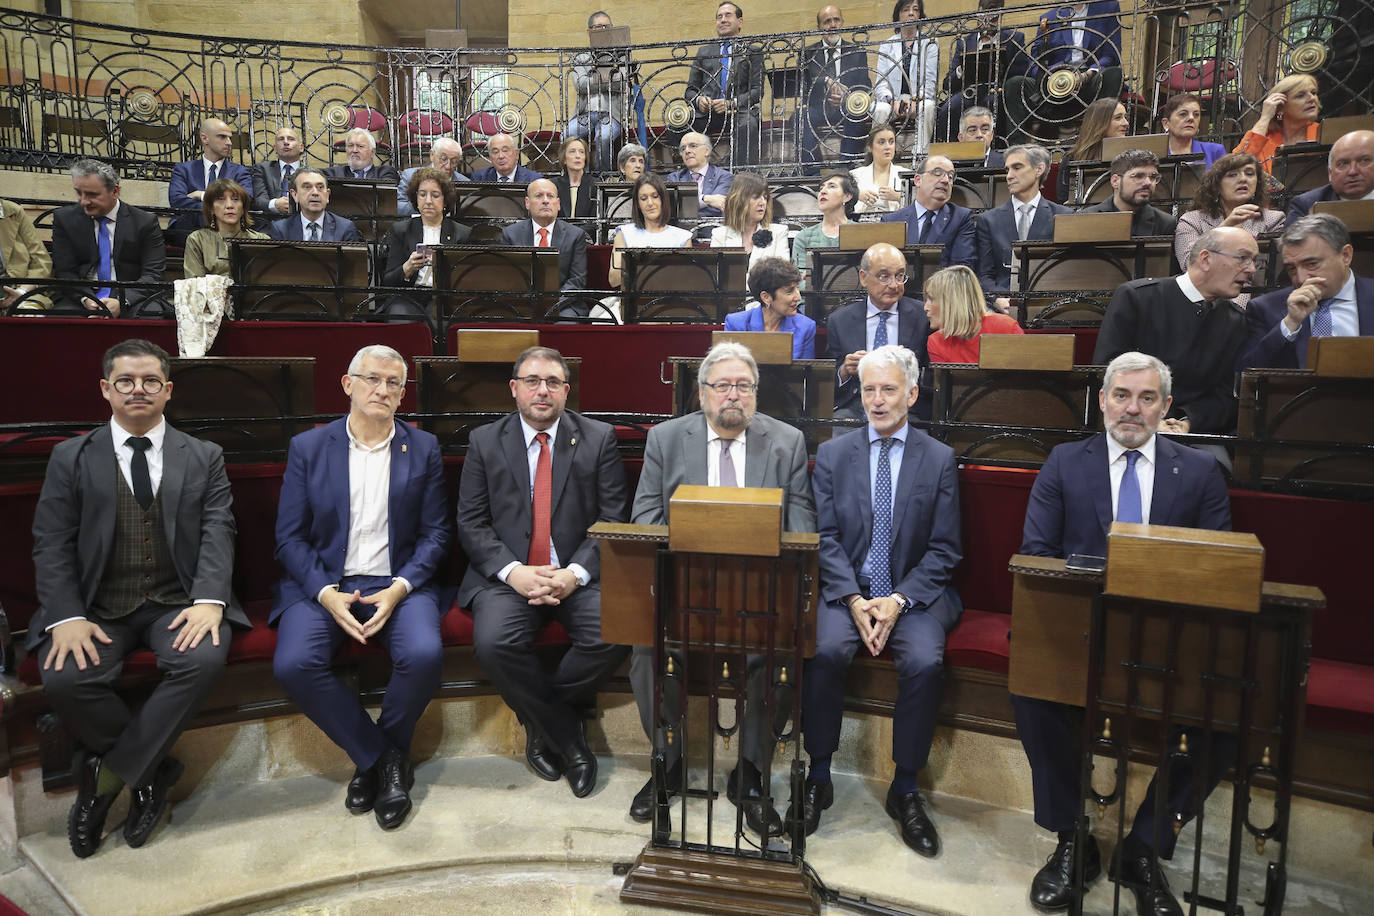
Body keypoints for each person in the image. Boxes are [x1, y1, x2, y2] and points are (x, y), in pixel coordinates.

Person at [1013, 350, 1232, 916]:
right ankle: (1072, 839)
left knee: (1226, 716)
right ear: (1103, 400)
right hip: (1082, 629)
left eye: (1147, 398)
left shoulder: (1202, 470)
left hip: (1170, 638)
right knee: (1032, 687)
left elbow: (1215, 567)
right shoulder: (1064, 462)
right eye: (1121, 396)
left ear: (1165, 407)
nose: (1132, 409)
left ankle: (1143, 848)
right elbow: (1037, 555)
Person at [31, 338, 247, 857]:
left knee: (203, 659)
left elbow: (220, 530)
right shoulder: (70, 458)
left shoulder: (203, 456)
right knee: (64, 676)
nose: (138, 390)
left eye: (151, 381)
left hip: (177, 600)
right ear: (106, 389)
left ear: (167, 391)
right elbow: (51, 541)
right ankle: (153, 771)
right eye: (125, 381)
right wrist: (65, 615)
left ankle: (104, 783)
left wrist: (209, 600)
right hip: (96, 607)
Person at [627, 341, 816, 836]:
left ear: (756, 393)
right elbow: (644, 519)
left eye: (744, 386)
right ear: (702, 392)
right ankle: (665, 766)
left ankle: (750, 778)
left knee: (774, 655)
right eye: (723, 385)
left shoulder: (787, 442)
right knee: (648, 652)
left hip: (758, 596)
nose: (734, 395)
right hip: (684, 590)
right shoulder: (665, 440)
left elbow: (800, 529)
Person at [272, 345, 451, 832]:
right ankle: (381, 759)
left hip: (397, 582)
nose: (383, 390)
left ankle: (376, 758)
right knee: (294, 663)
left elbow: (437, 533)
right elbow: (289, 537)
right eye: (372, 379)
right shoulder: (309, 447)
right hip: (326, 582)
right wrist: (325, 593)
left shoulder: (424, 447)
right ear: (348, 384)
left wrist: (400, 588)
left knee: (424, 654)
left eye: (394, 383)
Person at [793, 344, 960, 857]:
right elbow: (824, 535)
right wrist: (851, 597)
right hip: (849, 589)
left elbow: (945, 548)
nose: (878, 400)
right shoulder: (835, 454)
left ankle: (905, 787)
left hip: (916, 593)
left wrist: (898, 601)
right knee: (823, 650)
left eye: (889, 389)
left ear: (912, 393)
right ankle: (819, 772)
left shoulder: (939, 458)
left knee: (926, 662)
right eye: (869, 389)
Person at [457, 345, 630, 798]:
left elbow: (613, 520)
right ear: (514, 389)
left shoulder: (599, 438)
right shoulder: (484, 441)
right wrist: (514, 572)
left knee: (615, 631)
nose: (542, 390)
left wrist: (574, 573)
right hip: (508, 576)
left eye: (553, 382)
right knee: (494, 642)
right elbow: (471, 523)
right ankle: (569, 738)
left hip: (575, 572)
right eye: (532, 381)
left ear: (566, 391)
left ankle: (538, 720)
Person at [1093, 226, 1257, 436]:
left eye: (1253, 260)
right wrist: (1149, 419)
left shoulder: (1236, 320)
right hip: (1130, 425)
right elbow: (1108, 370)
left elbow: (1226, 395)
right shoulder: (1137, 298)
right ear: (1206, 259)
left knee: (1212, 467)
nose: (1251, 269)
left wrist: (1188, 422)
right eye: (1242, 258)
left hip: (1196, 435)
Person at [1239, 213, 1374, 370]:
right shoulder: (1265, 308)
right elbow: (1244, 375)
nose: (1301, 279)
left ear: (1345, 255)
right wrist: (1290, 323)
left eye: (1311, 264)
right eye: (1291, 268)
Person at [826, 242, 933, 420]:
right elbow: (828, 381)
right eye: (884, 277)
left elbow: (932, 376)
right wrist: (844, 370)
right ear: (863, 277)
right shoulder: (840, 321)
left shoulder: (922, 316)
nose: (894, 285)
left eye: (899, 276)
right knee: (834, 437)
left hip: (906, 407)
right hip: (856, 405)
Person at [51, 159, 165, 318]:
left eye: (92, 194)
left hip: (131, 295)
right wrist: (86, 299)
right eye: (79, 192)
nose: (83, 201)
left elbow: (152, 275)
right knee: (60, 319)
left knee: (151, 316)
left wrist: (122, 301)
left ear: (115, 191)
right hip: (81, 293)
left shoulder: (144, 222)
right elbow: (65, 272)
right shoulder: (64, 219)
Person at [1002, 1, 1124, 146]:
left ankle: (1098, 144)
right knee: (1015, 84)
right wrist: (1050, 75)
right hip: (1054, 80)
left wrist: (1088, 74)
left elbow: (1111, 54)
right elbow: (1035, 61)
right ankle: (1015, 148)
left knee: (1114, 74)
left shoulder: (1108, 8)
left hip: (1089, 78)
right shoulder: (1049, 17)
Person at [1173, 152, 1282, 303]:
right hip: (1202, 296)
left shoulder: (1273, 220)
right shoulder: (1192, 220)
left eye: (1250, 174)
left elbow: (1268, 272)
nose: (1243, 178)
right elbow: (1189, 264)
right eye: (1233, 175)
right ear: (1216, 185)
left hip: (1250, 296)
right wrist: (1225, 227)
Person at [976, 143, 1072, 306]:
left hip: (1047, 304)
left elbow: (1066, 271)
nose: (1009, 176)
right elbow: (984, 274)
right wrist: (997, 299)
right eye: (1007, 170)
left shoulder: (1063, 216)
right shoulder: (988, 220)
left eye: (1017, 168)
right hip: (1000, 305)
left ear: (1038, 170)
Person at [381, 168, 472, 317]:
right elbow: (388, 281)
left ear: (445, 200)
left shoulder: (462, 233)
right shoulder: (401, 230)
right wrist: (407, 267)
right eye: (422, 195)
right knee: (400, 318)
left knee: (438, 319)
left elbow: (465, 282)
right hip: (408, 296)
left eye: (435, 195)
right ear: (416, 199)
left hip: (443, 297)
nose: (428, 201)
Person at [937, 0, 1029, 146]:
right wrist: (961, 69)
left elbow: (1023, 73)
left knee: (992, 103)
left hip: (998, 92)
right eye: (984, 17)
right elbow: (948, 83)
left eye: (993, 18)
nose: (988, 22)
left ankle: (995, 150)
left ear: (1001, 15)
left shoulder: (1014, 38)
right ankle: (953, 153)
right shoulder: (964, 42)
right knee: (951, 106)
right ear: (978, 14)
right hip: (970, 92)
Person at [684, 2, 764, 166]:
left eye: (728, 15)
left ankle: (741, 172)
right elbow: (690, 91)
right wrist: (699, 101)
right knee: (677, 125)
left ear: (740, 22)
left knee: (749, 124)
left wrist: (731, 103)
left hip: (738, 113)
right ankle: (689, 173)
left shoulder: (752, 52)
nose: (723, 20)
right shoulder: (704, 52)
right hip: (708, 114)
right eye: (719, 17)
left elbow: (758, 91)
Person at [799, 5, 870, 170]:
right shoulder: (808, 54)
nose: (832, 25)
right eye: (827, 21)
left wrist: (848, 97)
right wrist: (825, 81)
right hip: (817, 107)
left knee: (858, 111)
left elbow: (865, 86)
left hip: (846, 107)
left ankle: (845, 166)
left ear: (842, 23)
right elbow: (803, 85)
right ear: (819, 28)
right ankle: (811, 170)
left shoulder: (856, 51)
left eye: (836, 20)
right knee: (799, 116)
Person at [500, 177, 590, 304]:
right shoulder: (510, 234)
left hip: (564, 304)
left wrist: (553, 303)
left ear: (558, 204)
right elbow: (508, 277)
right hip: (522, 304)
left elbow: (577, 280)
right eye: (539, 196)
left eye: (550, 196)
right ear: (527, 203)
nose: (545, 201)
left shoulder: (575, 235)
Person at [880, 154, 977, 270]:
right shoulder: (892, 221)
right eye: (937, 173)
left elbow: (962, 268)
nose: (946, 180)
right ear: (918, 180)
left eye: (950, 177)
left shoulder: (961, 218)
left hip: (943, 286)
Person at [168, 119, 253, 242]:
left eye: (230, 138)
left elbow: (247, 198)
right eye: (222, 137)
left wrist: (202, 195)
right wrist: (218, 206)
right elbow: (177, 200)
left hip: (228, 230)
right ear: (204, 139)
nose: (229, 143)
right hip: (189, 229)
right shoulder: (184, 169)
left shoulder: (240, 172)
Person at [873, 0, 939, 155]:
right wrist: (892, 101)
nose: (911, 13)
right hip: (894, 100)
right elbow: (880, 83)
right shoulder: (887, 45)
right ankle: (878, 155)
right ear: (898, 16)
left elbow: (930, 81)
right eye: (906, 9)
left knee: (928, 106)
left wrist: (916, 100)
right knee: (880, 108)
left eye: (915, 10)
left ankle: (920, 155)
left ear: (920, 15)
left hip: (918, 99)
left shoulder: (930, 43)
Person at [607, 172, 692, 289]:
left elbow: (688, 280)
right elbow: (613, 281)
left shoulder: (683, 237)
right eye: (643, 198)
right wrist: (630, 261)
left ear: (663, 199)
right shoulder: (624, 233)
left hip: (672, 301)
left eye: (655, 196)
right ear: (637, 204)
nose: (650, 203)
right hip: (632, 301)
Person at [924, 264, 1023, 363]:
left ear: (952, 302)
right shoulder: (936, 342)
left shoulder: (1006, 328)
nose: (925, 307)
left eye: (931, 299)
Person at [568, 11, 628, 173]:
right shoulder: (580, 57)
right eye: (598, 27)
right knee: (568, 133)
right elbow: (580, 85)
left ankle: (603, 177)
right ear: (589, 32)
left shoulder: (621, 56)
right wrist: (606, 79)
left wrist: (592, 79)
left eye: (606, 27)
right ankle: (582, 177)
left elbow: (621, 83)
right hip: (584, 114)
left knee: (604, 136)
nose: (603, 30)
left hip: (611, 113)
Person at [724, 257, 818, 358]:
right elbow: (726, 369)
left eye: (797, 288)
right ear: (766, 297)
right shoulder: (736, 324)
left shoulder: (806, 327)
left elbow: (806, 372)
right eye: (790, 291)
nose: (798, 297)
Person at [1233, 73, 1321, 174]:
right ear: (1280, 107)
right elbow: (1236, 166)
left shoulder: (1324, 133)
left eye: (1314, 93)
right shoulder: (1263, 140)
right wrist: (1265, 118)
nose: (1312, 99)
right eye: (1300, 96)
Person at [709, 173, 791, 279]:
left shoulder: (779, 232)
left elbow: (782, 276)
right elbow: (715, 276)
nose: (762, 203)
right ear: (739, 200)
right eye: (756, 197)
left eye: (765, 198)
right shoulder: (720, 234)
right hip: (731, 295)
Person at [1082, 149, 1178, 239]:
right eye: (1138, 176)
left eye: (1153, 177)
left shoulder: (1165, 223)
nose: (1148, 182)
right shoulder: (1086, 218)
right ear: (1115, 181)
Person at [183, 179, 268, 279]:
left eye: (235, 199)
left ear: (243, 208)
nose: (229, 206)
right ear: (211, 208)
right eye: (221, 200)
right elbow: (195, 284)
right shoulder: (197, 239)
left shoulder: (261, 240)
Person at [1286, 129, 1374, 224]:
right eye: (1343, 164)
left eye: (1364, 161)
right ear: (1330, 173)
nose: (1353, 171)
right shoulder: (1306, 205)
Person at [1055, 97, 1128, 204]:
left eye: (1125, 117)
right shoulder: (1072, 158)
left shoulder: (1131, 156)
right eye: (1118, 118)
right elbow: (1063, 199)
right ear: (1099, 122)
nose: (1126, 123)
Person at [265, 167, 364, 243]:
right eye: (307, 187)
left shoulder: (345, 228)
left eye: (320, 187)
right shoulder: (280, 229)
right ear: (295, 195)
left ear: (327, 195)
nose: (315, 193)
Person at [791, 170, 855, 285]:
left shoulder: (861, 232)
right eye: (821, 188)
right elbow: (798, 282)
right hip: (812, 301)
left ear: (847, 196)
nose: (823, 192)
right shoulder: (803, 237)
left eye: (832, 187)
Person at [0, 197, 53, 310]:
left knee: (28, 314)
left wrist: (22, 291)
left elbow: (41, 260)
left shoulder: (13, 211)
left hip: (19, 290)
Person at [665, 131, 733, 218]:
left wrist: (687, 206)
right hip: (683, 229)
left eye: (693, 146)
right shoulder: (674, 178)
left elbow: (717, 207)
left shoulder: (724, 177)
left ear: (707, 151)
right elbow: (673, 207)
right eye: (683, 148)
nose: (687, 151)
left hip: (712, 228)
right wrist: (706, 199)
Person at [396, 138, 469, 217]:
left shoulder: (465, 182)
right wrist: (425, 207)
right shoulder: (410, 176)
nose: (448, 166)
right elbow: (398, 207)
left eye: (454, 162)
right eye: (443, 159)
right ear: (432, 155)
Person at [850, 123, 909, 214]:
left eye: (891, 142)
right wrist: (856, 195)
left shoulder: (906, 175)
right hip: (861, 226)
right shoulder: (855, 175)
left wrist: (898, 197)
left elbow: (921, 205)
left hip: (896, 225)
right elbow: (838, 199)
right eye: (881, 142)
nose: (887, 147)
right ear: (870, 147)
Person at [251, 125, 306, 219]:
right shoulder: (262, 169)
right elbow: (258, 201)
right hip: (270, 224)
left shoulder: (310, 173)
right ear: (275, 148)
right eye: (281, 139)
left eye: (291, 139)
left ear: (301, 147)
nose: (286, 142)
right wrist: (274, 204)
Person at [1159, 92, 1226, 169]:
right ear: (1166, 123)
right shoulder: (1155, 154)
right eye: (1183, 114)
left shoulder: (1215, 151)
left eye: (1196, 114)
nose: (1191, 118)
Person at [324, 128, 401, 183]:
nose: (354, 150)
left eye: (360, 146)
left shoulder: (385, 173)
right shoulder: (333, 174)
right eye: (350, 146)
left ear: (372, 152)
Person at [470, 132, 544, 184]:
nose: (501, 156)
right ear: (490, 157)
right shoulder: (479, 178)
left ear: (516, 154)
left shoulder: (534, 180)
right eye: (495, 152)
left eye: (505, 151)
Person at [553, 136, 597, 219]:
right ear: (564, 159)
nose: (578, 156)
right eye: (572, 152)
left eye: (581, 152)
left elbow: (595, 222)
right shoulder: (553, 185)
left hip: (586, 231)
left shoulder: (595, 185)